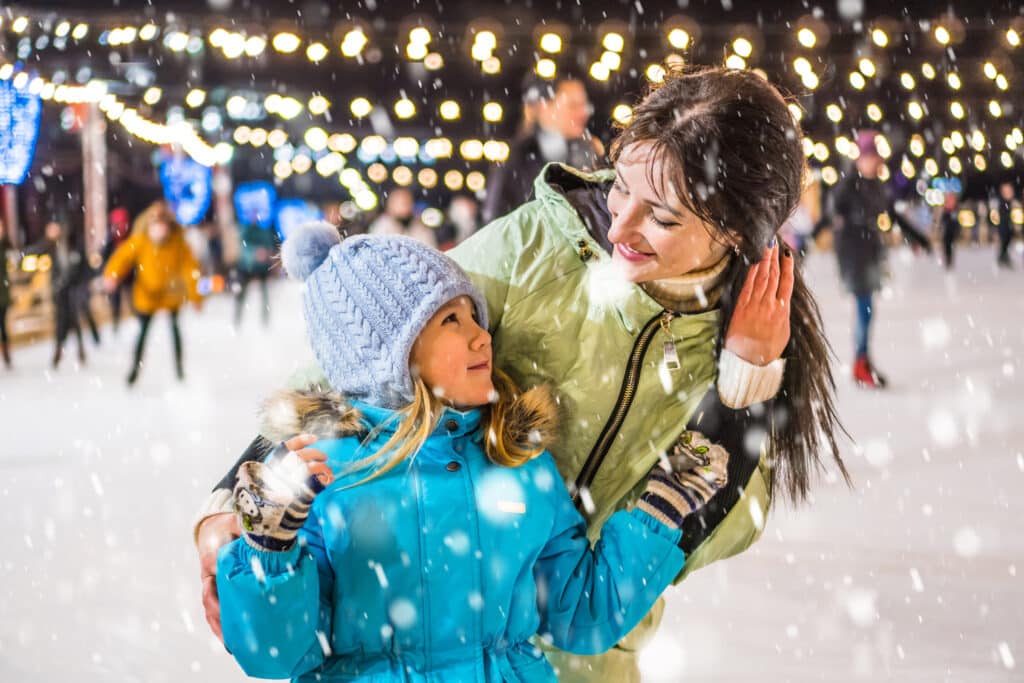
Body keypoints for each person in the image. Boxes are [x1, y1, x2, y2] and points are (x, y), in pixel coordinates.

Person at [195, 66, 848, 683]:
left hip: (587, 654)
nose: (623, 223)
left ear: (734, 230)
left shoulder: (749, 331)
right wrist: (235, 507)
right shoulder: (538, 246)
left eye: (664, 215)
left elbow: (726, 530)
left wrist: (745, 383)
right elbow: (361, 354)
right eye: (621, 184)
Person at [217, 226, 734, 681]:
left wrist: (659, 514)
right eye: (450, 322)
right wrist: (269, 553)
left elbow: (579, 613)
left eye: (474, 316)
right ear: (389, 357)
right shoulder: (327, 477)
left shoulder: (518, 461)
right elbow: (279, 654)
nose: (481, 336)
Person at [825, 129, 932, 389]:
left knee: (868, 310)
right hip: (853, 254)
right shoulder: (849, 185)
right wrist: (807, 239)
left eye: (876, 156)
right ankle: (861, 363)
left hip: (871, 253)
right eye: (869, 156)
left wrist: (918, 237)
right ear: (860, 158)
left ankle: (863, 359)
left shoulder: (877, 186)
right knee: (864, 309)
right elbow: (830, 215)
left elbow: (893, 216)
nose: (874, 161)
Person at [102, 201, 202, 385]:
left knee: (175, 331)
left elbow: (191, 269)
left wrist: (195, 296)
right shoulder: (141, 241)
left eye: (162, 227)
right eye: (156, 227)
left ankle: (179, 369)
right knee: (143, 333)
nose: (159, 231)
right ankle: (134, 370)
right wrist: (112, 276)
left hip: (171, 294)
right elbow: (122, 258)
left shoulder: (178, 243)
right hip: (147, 294)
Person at [482, 73, 600, 224]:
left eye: (585, 105)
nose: (583, 113)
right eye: (573, 105)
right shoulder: (516, 158)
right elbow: (496, 223)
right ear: (544, 107)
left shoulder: (588, 152)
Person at [25, 220, 90, 368]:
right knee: (61, 321)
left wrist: (81, 283)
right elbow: (36, 251)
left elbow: (81, 267)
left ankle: (75, 350)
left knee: (74, 321)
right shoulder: (52, 246)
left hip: (72, 289)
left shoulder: (74, 246)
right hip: (59, 291)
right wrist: (22, 254)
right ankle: (59, 352)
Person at [233, 220, 277, 327]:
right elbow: (244, 248)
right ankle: (237, 321)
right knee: (242, 295)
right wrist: (255, 253)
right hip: (247, 267)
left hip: (260, 267)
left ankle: (265, 321)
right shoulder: (247, 230)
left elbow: (269, 246)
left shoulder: (264, 230)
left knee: (264, 296)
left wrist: (266, 254)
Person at [368, 188, 437, 247]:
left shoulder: (420, 227)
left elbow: (431, 249)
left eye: (407, 202)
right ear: (390, 204)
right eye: (400, 202)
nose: (404, 206)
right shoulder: (382, 225)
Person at [101, 207, 133, 332]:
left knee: (133, 300)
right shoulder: (110, 239)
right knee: (115, 302)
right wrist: (107, 275)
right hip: (115, 277)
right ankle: (116, 324)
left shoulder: (130, 238)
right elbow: (105, 257)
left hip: (129, 276)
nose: (120, 226)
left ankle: (133, 321)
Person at [996, 181, 1017, 268]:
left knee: (1008, 239)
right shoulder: (1002, 203)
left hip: (1008, 223)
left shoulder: (1011, 203)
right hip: (1004, 224)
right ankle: (1002, 257)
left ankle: (1004, 256)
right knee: (1004, 240)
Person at [940, 192, 961, 270]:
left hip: (952, 231)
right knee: (947, 246)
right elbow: (943, 221)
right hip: (947, 232)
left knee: (950, 247)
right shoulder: (946, 212)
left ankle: (949, 260)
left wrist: (957, 230)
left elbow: (957, 223)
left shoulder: (954, 211)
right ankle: (947, 260)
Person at [0, 225, 12, 369]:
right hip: (3, 294)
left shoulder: (4, 247)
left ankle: (6, 353)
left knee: (3, 326)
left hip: (3, 296)